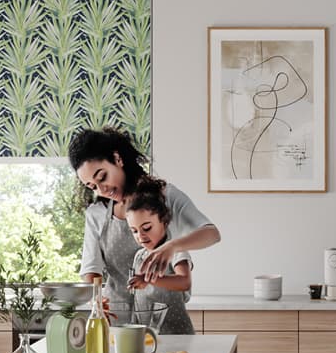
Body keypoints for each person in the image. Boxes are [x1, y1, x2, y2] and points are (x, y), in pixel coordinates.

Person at [68, 127, 221, 306]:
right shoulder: (97, 213)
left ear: (117, 159)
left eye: (102, 177)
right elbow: (91, 270)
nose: (102, 190)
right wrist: (97, 300)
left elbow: (211, 234)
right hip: (118, 318)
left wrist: (171, 247)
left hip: (163, 318)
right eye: (92, 186)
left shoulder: (165, 196)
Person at [125, 176, 196, 335]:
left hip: (177, 335)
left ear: (164, 222)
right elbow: (139, 300)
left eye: (147, 228)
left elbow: (184, 282)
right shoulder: (139, 256)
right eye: (134, 231)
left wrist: (147, 280)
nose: (140, 236)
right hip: (148, 336)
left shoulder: (176, 249)